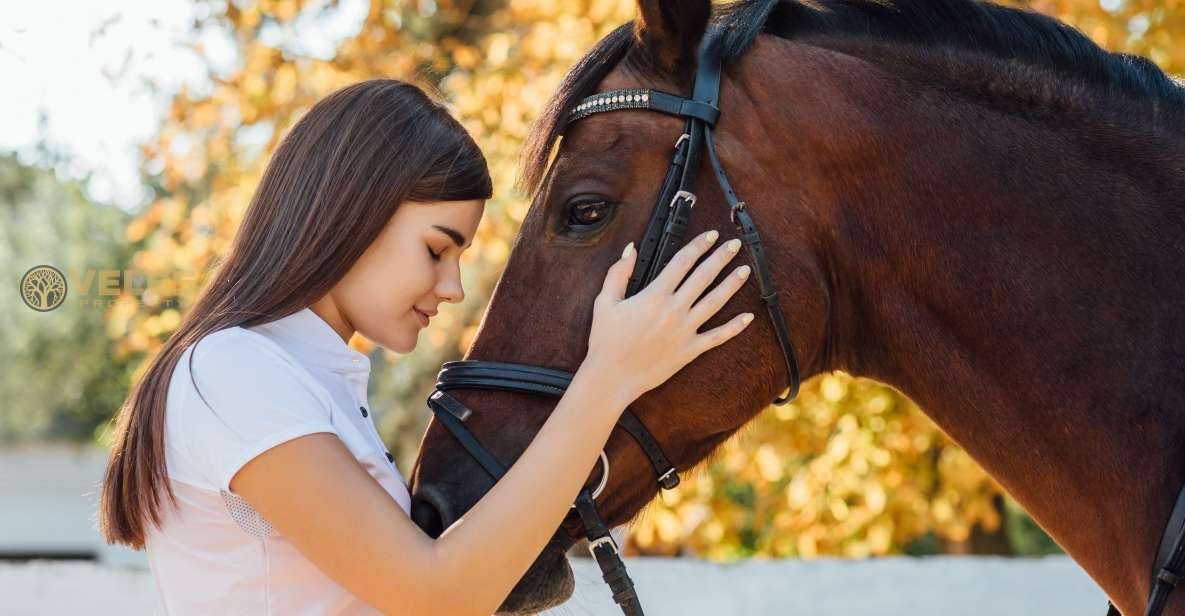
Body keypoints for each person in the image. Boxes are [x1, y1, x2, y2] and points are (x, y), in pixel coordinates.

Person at [98, 78, 754, 615]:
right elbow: (436, 594)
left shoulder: (308, 380)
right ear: (349, 211)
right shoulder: (233, 372)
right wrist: (607, 379)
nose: (452, 286)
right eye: (437, 249)